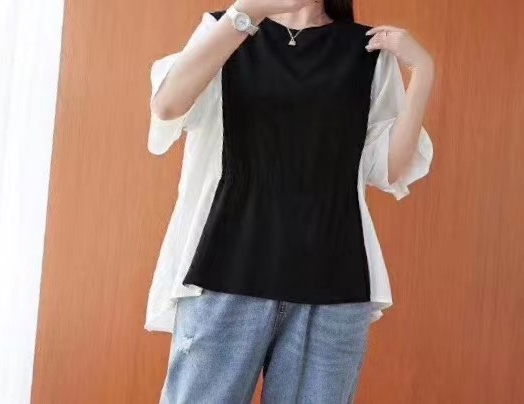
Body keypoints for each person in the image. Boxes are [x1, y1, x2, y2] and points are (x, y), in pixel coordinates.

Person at [147, 0, 435, 402]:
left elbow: (390, 168)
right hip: (225, 274)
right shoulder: (230, 27)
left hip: (333, 285)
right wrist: (249, 11)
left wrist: (423, 71)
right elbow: (167, 106)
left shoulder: (367, 49)